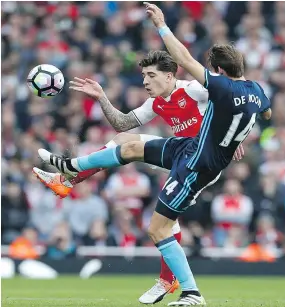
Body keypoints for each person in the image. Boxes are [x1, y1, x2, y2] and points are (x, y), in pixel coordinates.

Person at [34, 50, 243, 304]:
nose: (145, 81)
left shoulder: (193, 89)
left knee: (164, 225)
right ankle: (67, 180)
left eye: (151, 75)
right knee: (124, 142)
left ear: (169, 76)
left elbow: (233, 95)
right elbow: (122, 123)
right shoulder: (155, 103)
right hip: (178, 154)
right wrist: (102, 97)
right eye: (143, 75)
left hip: (200, 163)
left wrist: (231, 137)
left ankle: (174, 283)